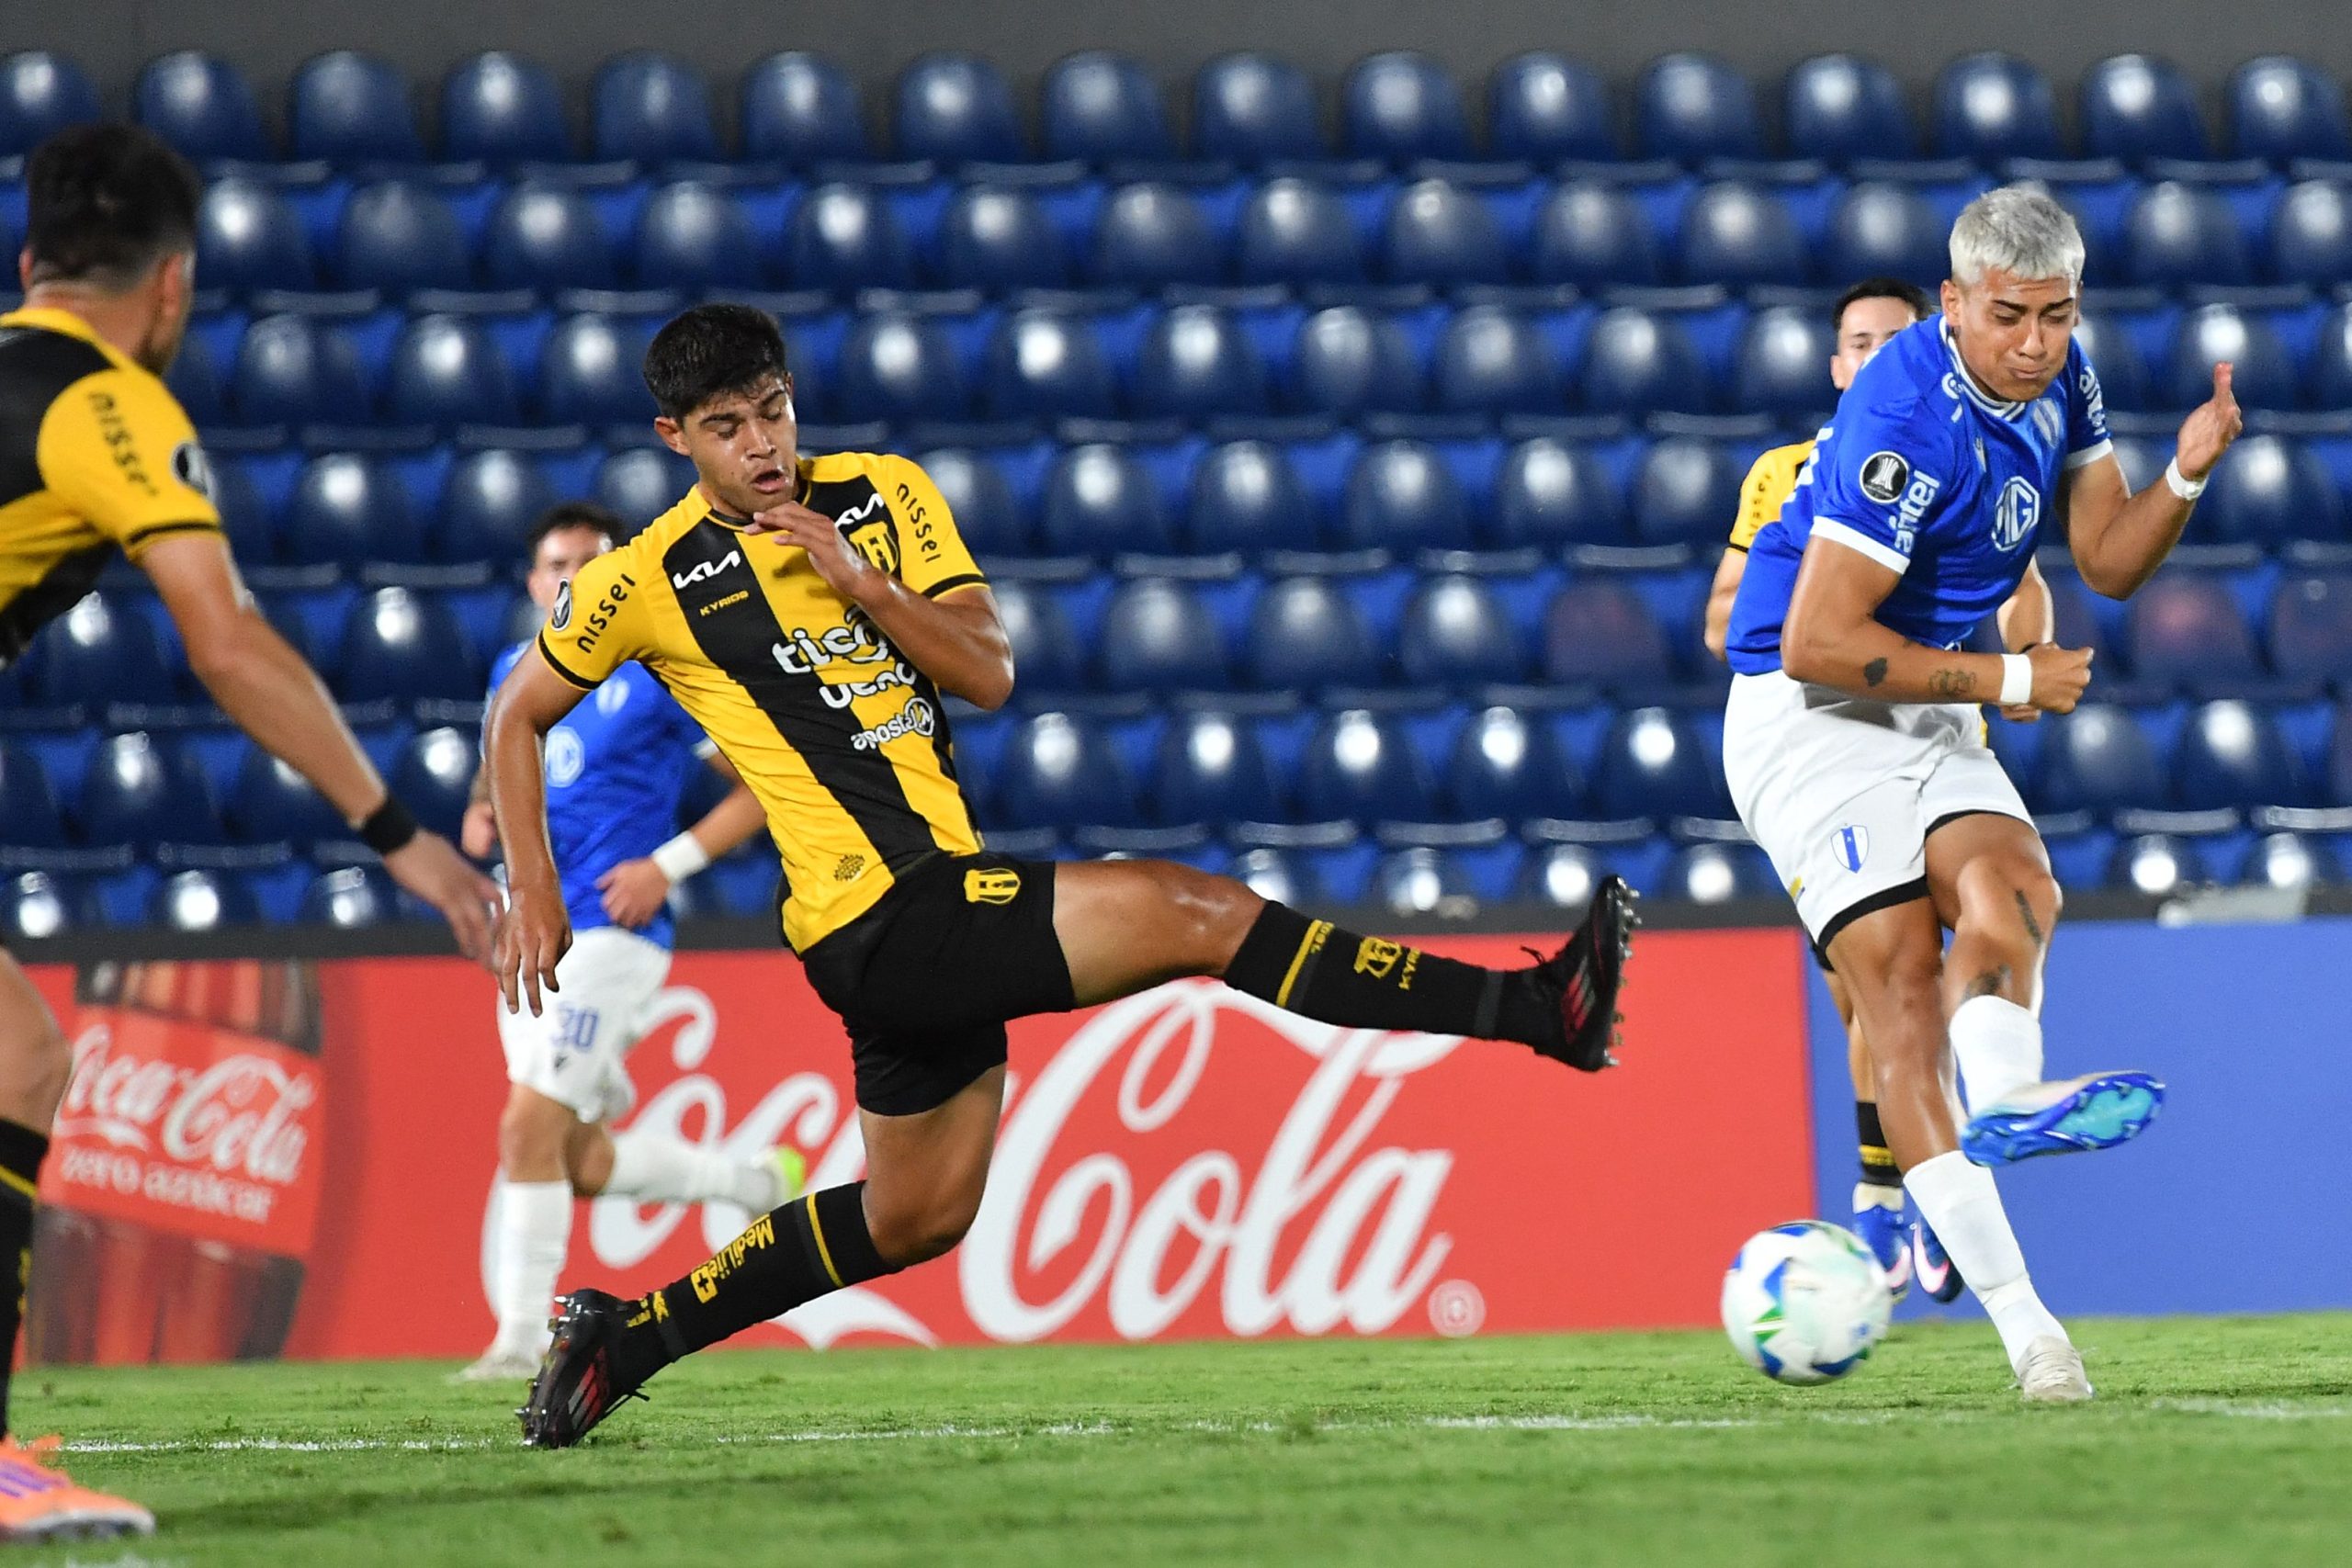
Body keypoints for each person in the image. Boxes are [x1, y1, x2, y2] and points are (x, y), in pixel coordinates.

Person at [485, 304, 1639, 1448]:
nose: (761, 445)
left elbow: (988, 670)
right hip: (876, 913)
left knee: (915, 1215)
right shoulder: (647, 577)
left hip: (929, 896)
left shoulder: (880, 496)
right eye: (726, 427)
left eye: (773, 412)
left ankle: (622, 1340)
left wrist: (864, 586)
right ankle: (1539, 1009)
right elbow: (516, 715)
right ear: (674, 436)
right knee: (1199, 913)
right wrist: (535, 885)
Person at [0, 125, 499, 1538]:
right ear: (172, 284)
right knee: (16, 1056)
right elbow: (226, 641)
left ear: (32, 263)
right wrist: (396, 829)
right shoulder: (107, 405)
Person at [1721, 186, 2242, 1400]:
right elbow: (1814, 641)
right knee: (1899, 986)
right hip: (1804, 714)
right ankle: (2030, 1333)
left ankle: (2007, 1094)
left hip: (1923, 686)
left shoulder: (2064, 377)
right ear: (1952, 303)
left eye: (2057, 316)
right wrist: (2008, 674)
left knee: (2015, 883)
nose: (2036, 343)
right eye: (2009, 316)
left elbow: (2107, 558)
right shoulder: (1903, 414)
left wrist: (2185, 474)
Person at [1703, 276, 2053, 1306]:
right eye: (1858, 342)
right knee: (1873, 982)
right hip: (1822, 739)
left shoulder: (1969, 449)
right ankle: (1889, 1187)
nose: (1875, 356)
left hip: (1931, 728)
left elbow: (2022, 591)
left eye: (1893, 340)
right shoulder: (1787, 473)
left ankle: (1943, 1160)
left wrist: (2020, 661)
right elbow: (1727, 621)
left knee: (1980, 930)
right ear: (1836, 364)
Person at [454, 503, 806, 1382]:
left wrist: (666, 864)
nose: (571, 577)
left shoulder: (655, 670)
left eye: (589, 562)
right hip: (531, 933)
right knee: (572, 1156)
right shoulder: (512, 670)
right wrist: (482, 806)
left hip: (612, 933)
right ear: (534, 582)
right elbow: (506, 763)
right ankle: (750, 1183)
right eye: (556, 564)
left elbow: (761, 786)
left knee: (526, 1125)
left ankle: (519, 1341)